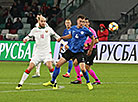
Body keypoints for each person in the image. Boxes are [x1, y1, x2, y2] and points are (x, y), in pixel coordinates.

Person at [43, 14, 95, 90]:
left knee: (83, 69)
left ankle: (88, 82)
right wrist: (62, 38)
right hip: (71, 50)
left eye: (83, 22)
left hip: (79, 52)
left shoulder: (86, 30)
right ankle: (52, 81)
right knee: (58, 65)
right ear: (77, 21)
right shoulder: (73, 28)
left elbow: (93, 38)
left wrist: (90, 49)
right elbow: (70, 36)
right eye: (80, 21)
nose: (82, 23)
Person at [15, 16, 66, 90]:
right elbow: (29, 36)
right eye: (42, 21)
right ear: (38, 21)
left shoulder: (48, 29)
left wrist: (63, 43)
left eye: (45, 21)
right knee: (30, 68)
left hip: (46, 53)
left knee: (50, 66)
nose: (44, 23)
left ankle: (54, 83)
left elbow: (57, 36)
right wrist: (25, 39)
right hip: (37, 53)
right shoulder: (35, 30)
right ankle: (20, 84)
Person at [71, 17, 101, 84]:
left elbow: (96, 40)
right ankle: (79, 79)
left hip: (91, 50)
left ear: (89, 23)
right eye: (84, 22)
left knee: (87, 67)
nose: (85, 23)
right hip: (83, 50)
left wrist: (88, 44)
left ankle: (97, 80)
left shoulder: (91, 31)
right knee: (75, 62)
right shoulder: (82, 30)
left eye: (87, 22)